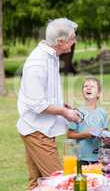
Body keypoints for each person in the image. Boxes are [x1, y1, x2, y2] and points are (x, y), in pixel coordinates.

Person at [16, 18, 81, 190]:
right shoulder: (37, 63)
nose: (75, 41)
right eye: (73, 38)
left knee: (36, 184)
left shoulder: (51, 56)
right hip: (37, 130)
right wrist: (64, 112)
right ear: (60, 42)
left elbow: (44, 95)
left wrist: (62, 105)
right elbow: (38, 105)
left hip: (40, 128)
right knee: (60, 184)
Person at [67, 77, 110, 165]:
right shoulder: (76, 112)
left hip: (98, 158)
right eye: (86, 86)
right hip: (81, 157)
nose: (88, 88)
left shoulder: (103, 113)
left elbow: (106, 134)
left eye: (92, 86)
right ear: (83, 92)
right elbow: (69, 135)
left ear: (98, 94)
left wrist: (102, 134)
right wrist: (85, 134)